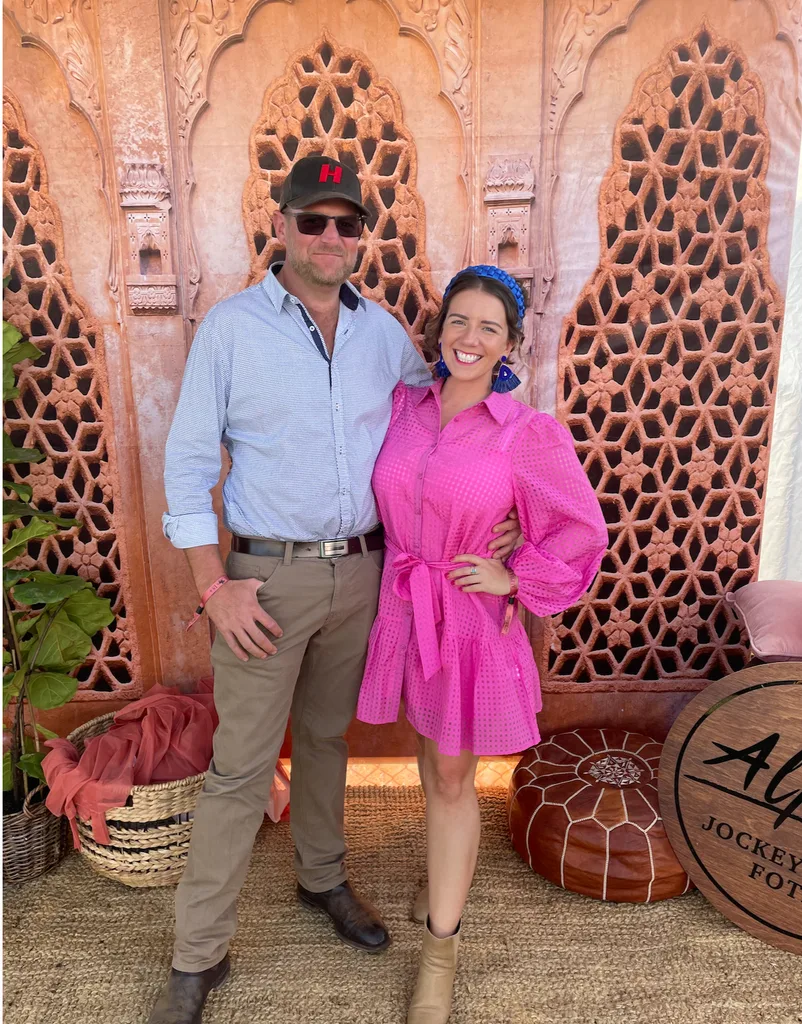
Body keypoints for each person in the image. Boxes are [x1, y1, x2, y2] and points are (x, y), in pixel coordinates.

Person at [150, 158, 521, 1024]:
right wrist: (215, 588)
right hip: (263, 579)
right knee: (242, 769)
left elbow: (450, 423)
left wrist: (499, 519)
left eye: (346, 224)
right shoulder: (231, 329)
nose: (329, 238)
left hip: (365, 572)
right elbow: (188, 466)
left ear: (361, 236)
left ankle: (322, 880)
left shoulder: (385, 334)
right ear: (280, 226)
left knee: (325, 737)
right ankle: (196, 957)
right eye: (311, 221)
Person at [357, 265, 608, 1024]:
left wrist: (514, 572)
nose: (469, 338)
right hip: (404, 605)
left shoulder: (527, 433)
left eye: (488, 327)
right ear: (439, 334)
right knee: (431, 764)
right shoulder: (402, 409)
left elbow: (580, 530)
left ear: (509, 345)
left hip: (468, 623)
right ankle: (443, 879)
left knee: (455, 776)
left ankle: (441, 948)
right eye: (457, 321)